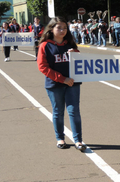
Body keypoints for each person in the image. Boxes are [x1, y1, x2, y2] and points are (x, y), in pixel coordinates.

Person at [37, 16, 86, 152]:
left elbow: (80, 62)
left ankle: (78, 140)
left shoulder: (70, 44)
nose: (63, 30)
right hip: (55, 85)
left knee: (74, 111)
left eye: (65, 28)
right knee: (58, 112)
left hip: (72, 83)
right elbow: (42, 66)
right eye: (59, 27)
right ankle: (60, 138)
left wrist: (75, 53)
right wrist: (61, 78)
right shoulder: (45, 45)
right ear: (52, 29)